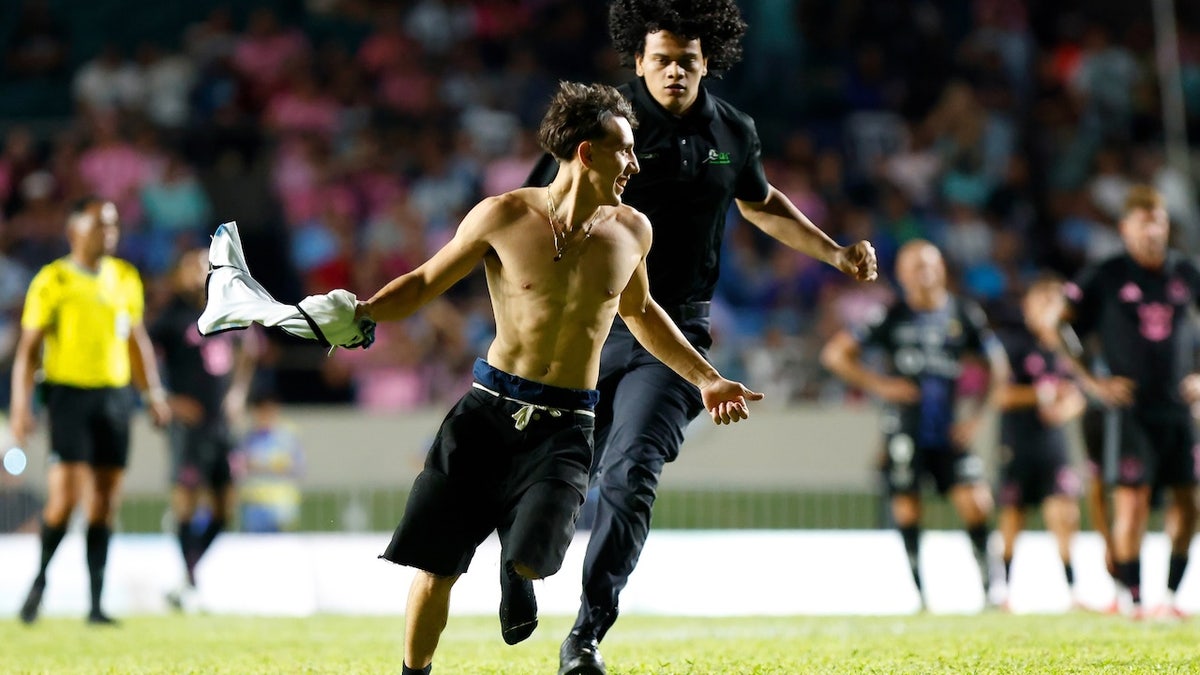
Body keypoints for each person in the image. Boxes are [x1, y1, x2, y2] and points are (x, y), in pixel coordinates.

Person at [523, 4, 876, 671]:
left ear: (706, 61)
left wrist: (832, 252)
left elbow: (759, 199)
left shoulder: (728, 131)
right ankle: (520, 571)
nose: (675, 71)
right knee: (553, 473)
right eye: (662, 59)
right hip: (586, 323)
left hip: (675, 332)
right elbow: (537, 211)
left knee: (630, 475)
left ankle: (587, 631)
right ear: (638, 62)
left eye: (687, 60)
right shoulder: (602, 126)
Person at [821, 240, 1007, 611]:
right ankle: (921, 596)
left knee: (977, 502)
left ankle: (992, 591)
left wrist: (977, 417)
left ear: (941, 270)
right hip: (905, 430)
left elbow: (998, 367)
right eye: (914, 267)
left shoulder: (963, 314)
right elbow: (835, 354)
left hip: (950, 430)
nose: (922, 274)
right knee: (907, 508)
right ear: (903, 275)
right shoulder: (892, 314)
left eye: (929, 265)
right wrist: (882, 385)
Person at [13, 198, 171, 625]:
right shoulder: (53, 280)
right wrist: (20, 408)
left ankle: (96, 605)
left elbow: (136, 339)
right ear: (75, 230)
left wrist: (153, 393)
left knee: (104, 502)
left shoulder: (124, 277)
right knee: (64, 498)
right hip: (68, 396)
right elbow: (28, 350)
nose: (111, 232)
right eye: (101, 224)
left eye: (115, 224)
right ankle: (40, 583)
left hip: (115, 397)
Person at [1062, 185, 1200, 619]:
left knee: (1189, 504)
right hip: (1131, 410)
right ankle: (1134, 598)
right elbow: (1060, 326)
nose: (1151, 231)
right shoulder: (1105, 274)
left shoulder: (1185, 272)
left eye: (1157, 222)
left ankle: (1173, 597)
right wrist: (1091, 381)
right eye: (1142, 223)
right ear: (1125, 228)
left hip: (1179, 407)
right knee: (1132, 501)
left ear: (1165, 226)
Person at [149, 246, 258, 610]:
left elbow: (250, 349)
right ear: (179, 275)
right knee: (186, 502)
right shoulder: (170, 319)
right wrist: (164, 399)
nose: (200, 272)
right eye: (192, 266)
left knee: (225, 507)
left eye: (205, 266)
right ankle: (190, 581)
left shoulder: (227, 311)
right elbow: (141, 357)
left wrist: (239, 394)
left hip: (221, 425)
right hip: (188, 427)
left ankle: (187, 578)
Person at [993, 276, 1085, 610]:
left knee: (1065, 514)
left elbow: (1079, 393)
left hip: (1053, 445)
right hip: (1017, 442)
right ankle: (1002, 592)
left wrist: (1065, 408)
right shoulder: (1013, 344)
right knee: (1012, 517)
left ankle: (1073, 592)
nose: (1049, 306)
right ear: (1028, 307)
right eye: (1041, 299)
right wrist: (1043, 395)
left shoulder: (1070, 348)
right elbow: (1000, 394)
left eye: (1054, 299)